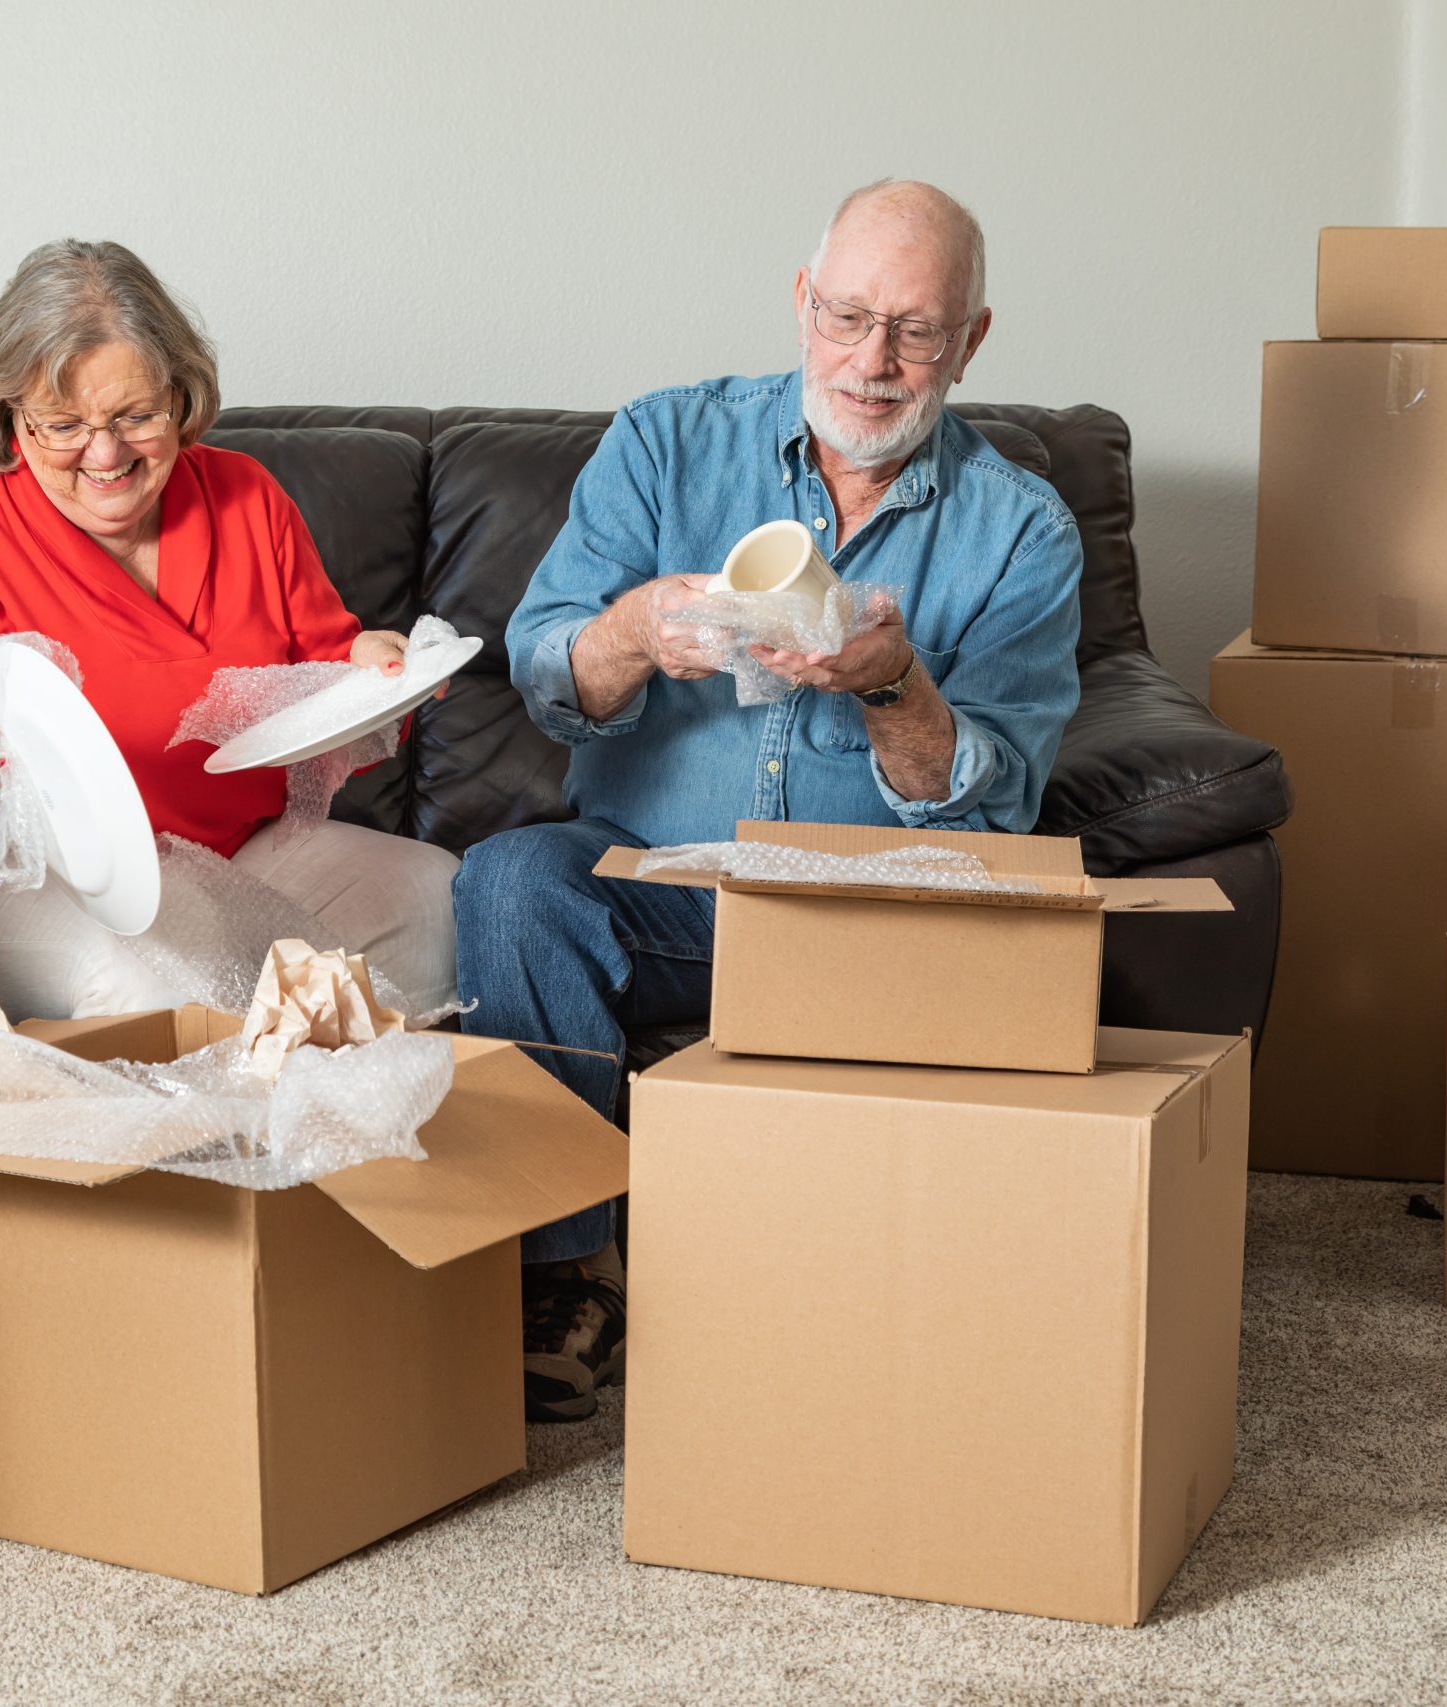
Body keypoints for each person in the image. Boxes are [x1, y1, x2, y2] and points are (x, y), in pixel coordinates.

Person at [460, 180, 1084, 1421]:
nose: (873, 362)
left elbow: (992, 815)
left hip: (869, 909)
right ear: (803, 304)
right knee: (512, 878)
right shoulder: (664, 442)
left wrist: (895, 685)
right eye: (848, 316)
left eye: (915, 329)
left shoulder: (1022, 530)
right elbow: (545, 671)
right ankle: (572, 1271)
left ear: (971, 340)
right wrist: (634, 630)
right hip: (659, 888)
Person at [0, 239, 460, 1020]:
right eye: (62, 424)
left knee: (441, 902)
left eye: (136, 415)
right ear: (7, 414)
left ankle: (322, 1119)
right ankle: (225, 1126)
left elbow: (323, 665)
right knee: (140, 987)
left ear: (181, 395)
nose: (104, 453)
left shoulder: (246, 499)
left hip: (223, 857)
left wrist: (372, 662)